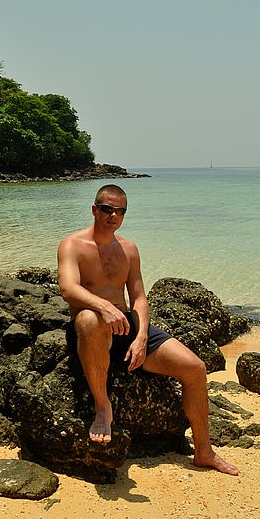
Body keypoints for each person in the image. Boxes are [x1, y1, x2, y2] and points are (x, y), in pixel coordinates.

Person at [57, 183, 238, 476]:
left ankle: (204, 451)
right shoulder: (72, 245)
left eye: (119, 211)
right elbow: (68, 288)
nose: (112, 215)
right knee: (91, 320)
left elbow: (139, 297)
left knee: (195, 368)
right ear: (94, 209)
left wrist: (141, 336)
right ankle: (103, 407)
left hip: (127, 329)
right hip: (91, 330)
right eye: (106, 209)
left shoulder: (128, 249)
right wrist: (104, 307)